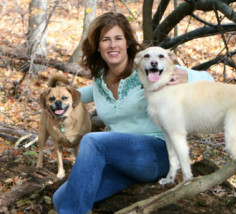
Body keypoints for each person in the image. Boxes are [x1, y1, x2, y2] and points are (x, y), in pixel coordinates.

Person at [52, 12, 214, 213]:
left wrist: (187, 75)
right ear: (98, 46)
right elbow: (77, 95)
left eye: (118, 38)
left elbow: (209, 80)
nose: (113, 45)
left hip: (155, 153)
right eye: (106, 40)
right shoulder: (100, 79)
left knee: (93, 141)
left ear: (127, 43)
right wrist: (52, 96)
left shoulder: (149, 69)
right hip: (119, 161)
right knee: (60, 199)